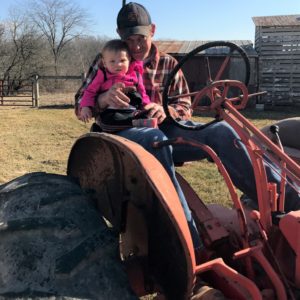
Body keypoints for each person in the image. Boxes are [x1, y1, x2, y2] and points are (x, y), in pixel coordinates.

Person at [75, 2, 300, 255]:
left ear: (153, 31)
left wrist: (166, 110)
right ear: (120, 36)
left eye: (141, 38)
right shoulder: (108, 60)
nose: (136, 46)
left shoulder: (169, 65)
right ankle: (191, 244)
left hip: (167, 129)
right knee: (155, 139)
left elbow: (184, 105)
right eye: (130, 40)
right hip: (121, 135)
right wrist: (103, 99)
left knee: (222, 130)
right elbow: (80, 102)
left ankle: (293, 203)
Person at [78, 39, 152, 132]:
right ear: (105, 63)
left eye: (122, 60)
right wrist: (85, 107)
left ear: (129, 60)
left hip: (132, 110)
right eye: (112, 61)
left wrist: (148, 107)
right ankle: (104, 128)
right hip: (111, 110)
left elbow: (143, 93)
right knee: (109, 122)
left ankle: (138, 123)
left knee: (144, 116)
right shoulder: (103, 75)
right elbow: (90, 91)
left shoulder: (136, 75)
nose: (118, 64)